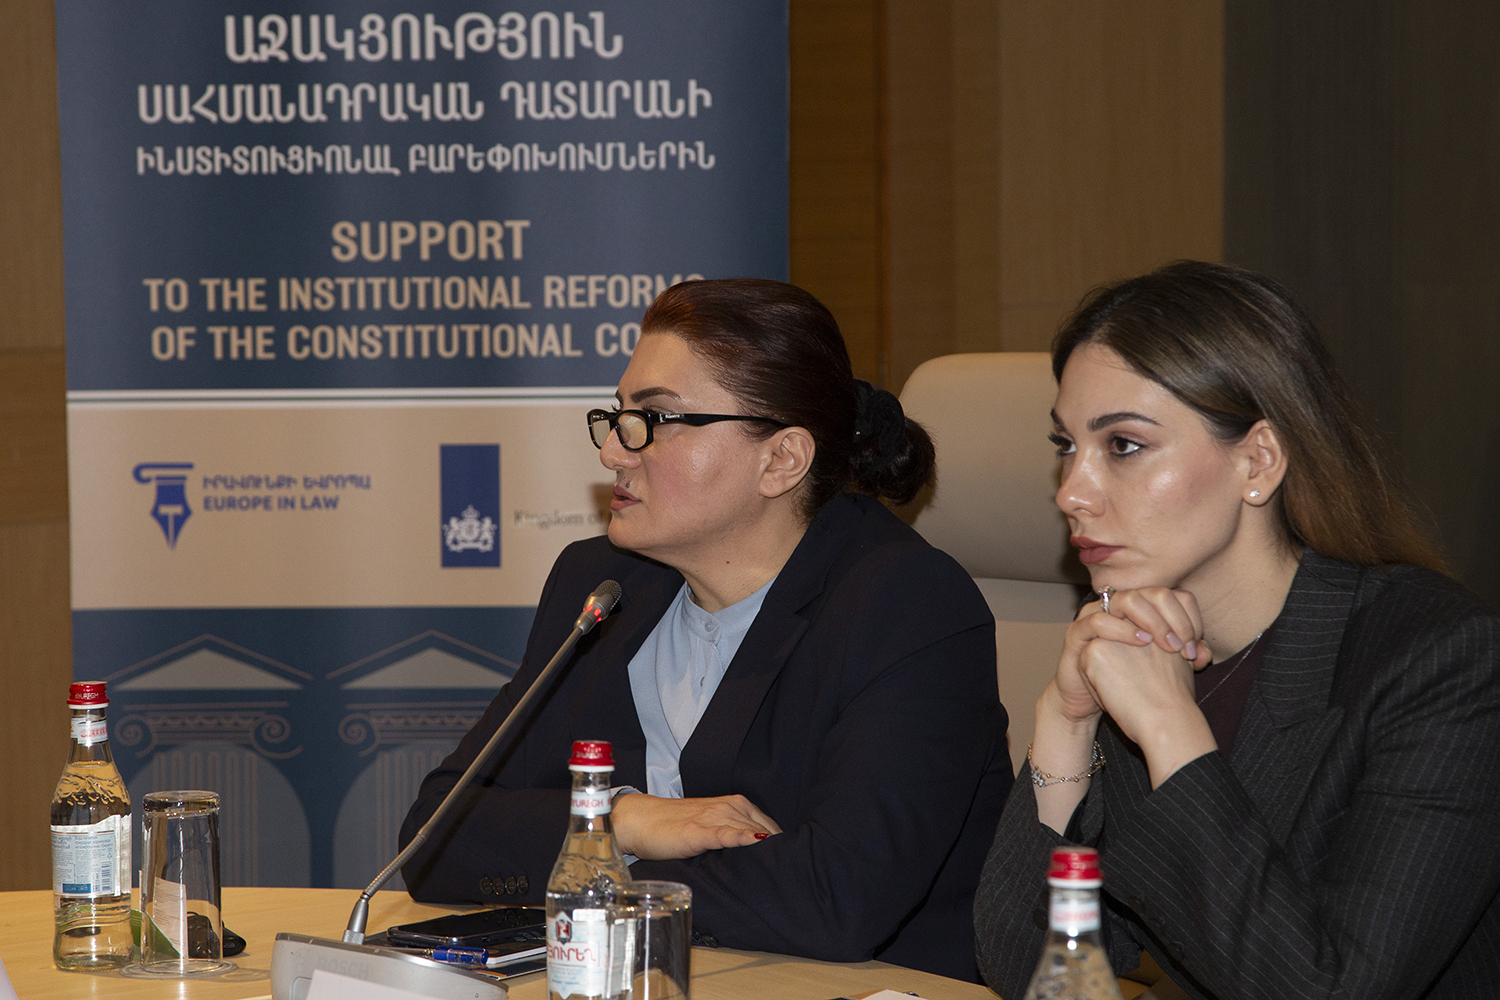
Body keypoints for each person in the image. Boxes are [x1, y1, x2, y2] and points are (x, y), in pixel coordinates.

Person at [400, 278, 1012, 981]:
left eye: (654, 419)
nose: (613, 452)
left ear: (781, 460)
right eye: (618, 415)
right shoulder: (602, 584)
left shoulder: (906, 603)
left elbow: (836, 898)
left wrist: (590, 873)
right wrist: (626, 822)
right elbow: (435, 837)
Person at [973, 261, 1500, 1000]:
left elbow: (1329, 989)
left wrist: (1169, 727)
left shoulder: (1442, 661)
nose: (1071, 493)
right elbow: (1026, 968)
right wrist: (1065, 722)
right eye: (1067, 446)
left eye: (1122, 445)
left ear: (1258, 461)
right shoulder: (1137, 643)